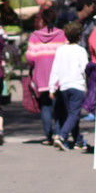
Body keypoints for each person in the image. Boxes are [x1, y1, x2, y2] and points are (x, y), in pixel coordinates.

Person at [25, 8, 68, 144]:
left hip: (41, 76)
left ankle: (48, 135)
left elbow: (30, 58)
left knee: (46, 106)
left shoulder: (35, 36)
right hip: (59, 77)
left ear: (42, 20)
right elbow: (66, 54)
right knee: (59, 107)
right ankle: (59, 133)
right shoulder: (62, 34)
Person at [49, 20, 89, 151]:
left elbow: (55, 69)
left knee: (72, 113)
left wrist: (51, 87)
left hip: (64, 86)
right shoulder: (81, 51)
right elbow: (84, 69)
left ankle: (78, 140)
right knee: (74, 114)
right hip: (77, 85)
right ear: (79, 36)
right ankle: (62, 136)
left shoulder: (61, 50)